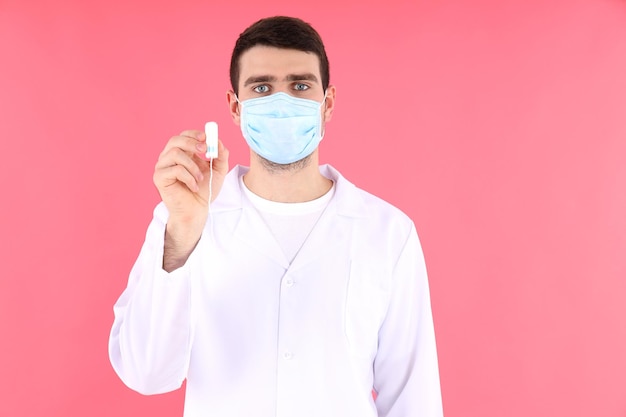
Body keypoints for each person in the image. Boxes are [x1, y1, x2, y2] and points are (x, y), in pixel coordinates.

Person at [109, 15, 443, 417]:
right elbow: (146, 374)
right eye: (262, 88)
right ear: (235, 107)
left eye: (300, 86)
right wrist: (181, 235)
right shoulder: (182, 219)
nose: (281, 104)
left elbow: (413, 398)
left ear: (328, 104)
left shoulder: (388, 233)